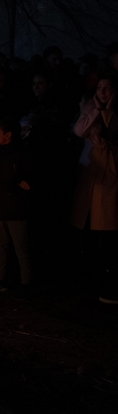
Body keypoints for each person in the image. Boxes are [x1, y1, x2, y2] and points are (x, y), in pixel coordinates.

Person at [71, 77, 118, 303]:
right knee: (86, 232)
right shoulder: (89, 107)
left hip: (109, 178)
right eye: (99, 87)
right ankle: (88, 283)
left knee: (106, 235)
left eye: (107, 87)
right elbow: (79, 131)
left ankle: (107, 286)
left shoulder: (114, 112)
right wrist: (96, 111)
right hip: (89, 177)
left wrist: (107, 112)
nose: (102, 91)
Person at [0, 118, 32, 292]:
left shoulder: (20, 154)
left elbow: (30, 174)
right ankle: (0, 278)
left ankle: (26, 282)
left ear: (8, 135)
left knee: (20, 246)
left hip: (15, 206)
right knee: (0, 245)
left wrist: (27, 181)